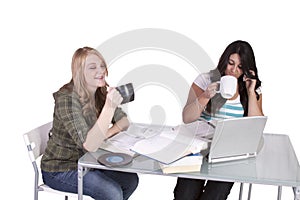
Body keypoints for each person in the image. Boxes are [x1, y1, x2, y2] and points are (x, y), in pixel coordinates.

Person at [41, 47, 139, 200]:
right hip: (61, 169)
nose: (100, 71)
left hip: (88, 162)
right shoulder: (67, 98)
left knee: (130, 180)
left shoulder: (100, 92)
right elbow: (90, 145)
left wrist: (105, 134)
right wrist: (109, 107)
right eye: (92, 67)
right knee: (112, 193)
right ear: (79, 73)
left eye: (102, 65)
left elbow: (124, 121)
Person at [173, 40, 264, 200]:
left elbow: (254, 128)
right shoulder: (205, 80)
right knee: (185, 195)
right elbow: (187, 118)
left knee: (215, 196)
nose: (234, 70)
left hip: (228, 152)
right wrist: (205, 96)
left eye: (240, 67)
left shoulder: (252, 89)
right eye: (231, 63)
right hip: (198, 147)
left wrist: (250, 93)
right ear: (224, 60)